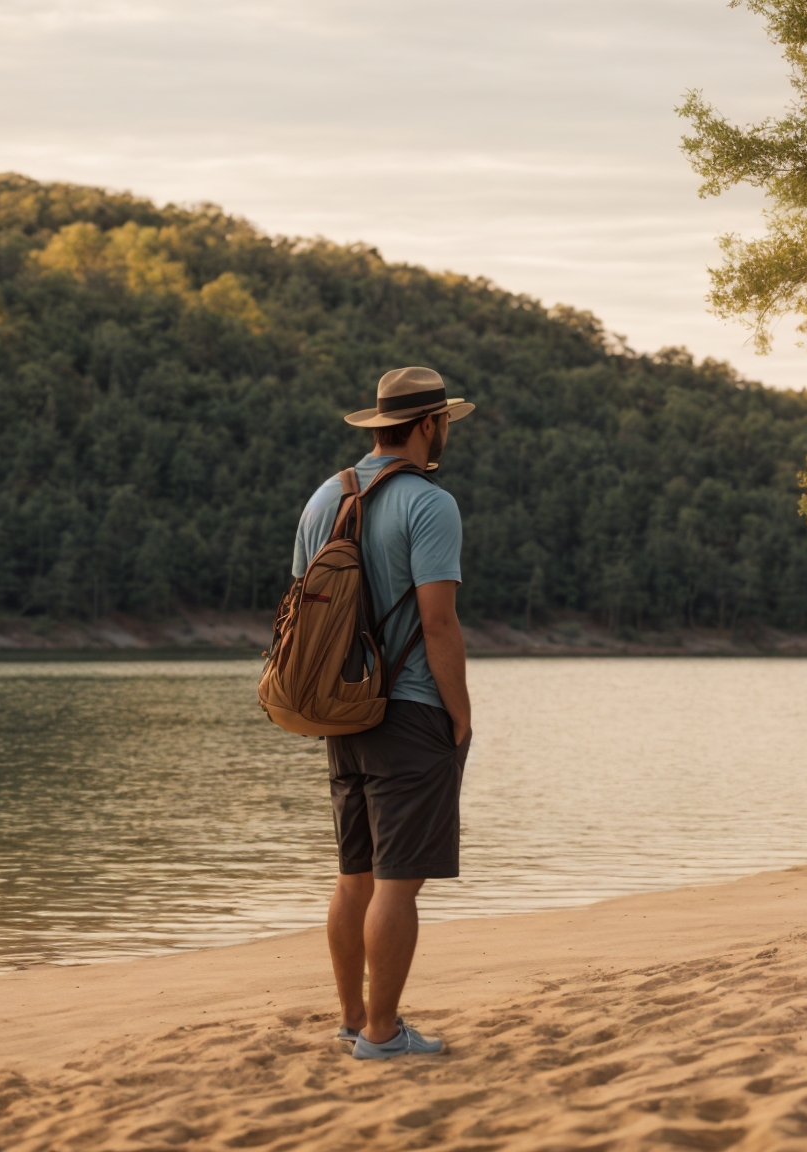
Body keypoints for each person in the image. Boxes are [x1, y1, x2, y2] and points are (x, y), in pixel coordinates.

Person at [289, 366, 475, 1060]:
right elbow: (439, 623)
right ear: (429, 426)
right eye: (444, 423)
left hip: (342, 710)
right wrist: (460, 715)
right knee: (400, 881)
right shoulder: (430, 503)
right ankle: (383, 1034)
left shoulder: (323, 499)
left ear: (378, 425)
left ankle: (351, 1016)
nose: (444, 434)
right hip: (410, 709)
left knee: (354, 873)